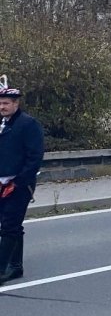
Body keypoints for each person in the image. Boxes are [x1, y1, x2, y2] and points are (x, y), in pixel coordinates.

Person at [0, 78, 44, 285]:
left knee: (9, 225)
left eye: (6, 103)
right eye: (0, 103)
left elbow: (34, 157)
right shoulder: (2, 124)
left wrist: (16, 183)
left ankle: (3, 269)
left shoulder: (28, 124)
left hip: (19, 184)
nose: (2, 106)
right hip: (1, 183)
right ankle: (15, 266)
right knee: (10, 226)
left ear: (16, 104)